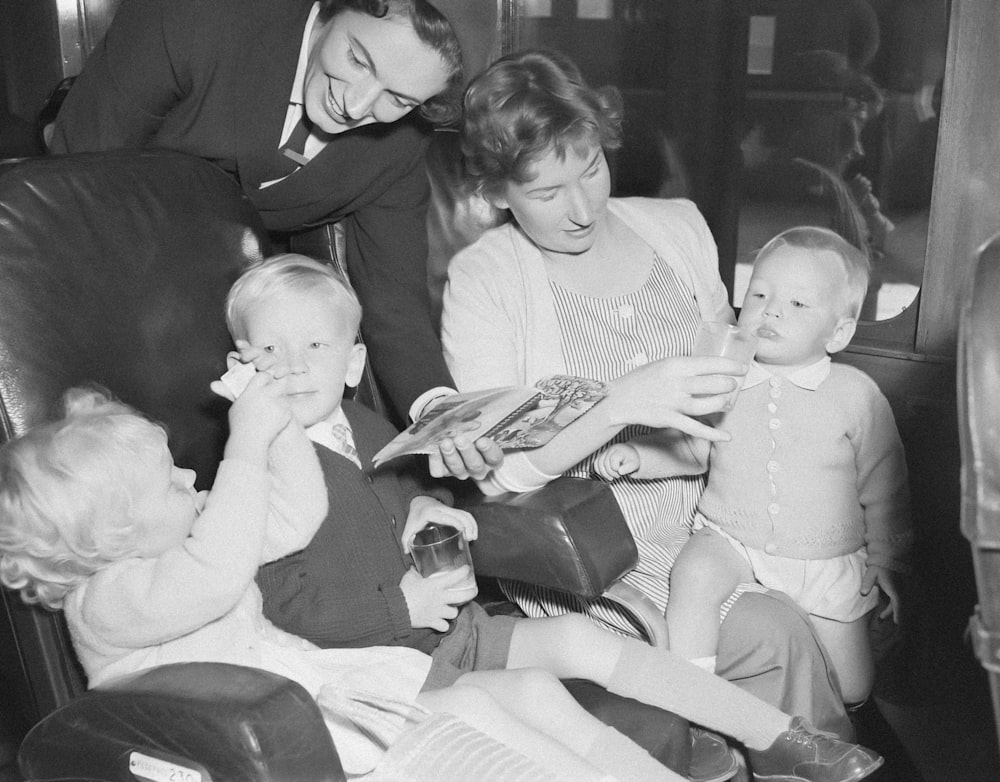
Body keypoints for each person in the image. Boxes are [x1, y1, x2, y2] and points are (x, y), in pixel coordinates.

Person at [219, 252, 884, 782]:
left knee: (580, 639)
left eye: (315, 347)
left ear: (353, 361)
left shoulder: (364, 426)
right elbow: (277, 611)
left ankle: (784, 739)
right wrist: (403, 607)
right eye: (270, 352)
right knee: (544, 697)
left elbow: (408, 501)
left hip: (450, 633)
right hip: (374, 661)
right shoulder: (257, 463)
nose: (295, 368)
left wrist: (433, 509)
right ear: (242, 362)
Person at [439, 48, 857, 739]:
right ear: (494, 193)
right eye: (546, 193)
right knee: (778, 628)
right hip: (601, 553)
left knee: (838, 607)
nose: (581, 209)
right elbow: (502, 474)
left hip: (729, 513)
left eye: (592, 169)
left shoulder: (679, 227)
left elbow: (746, 370)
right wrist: (620, 404)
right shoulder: (484, 280)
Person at [0, 384, 691, 782]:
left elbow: (297, 517)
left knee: (529, 692)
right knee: (473, 731)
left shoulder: (191, 538)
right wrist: (242, 446)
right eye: (168, 482)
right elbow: (215, 577)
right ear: (112, 535)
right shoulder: (106, 602)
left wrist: (282, 429)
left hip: (326, 696)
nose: (191, 479)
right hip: (260, 746)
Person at [48, 0, 469, 423]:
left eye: (397, 98)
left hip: (242, 328)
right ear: (330, 10)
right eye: (358, 60)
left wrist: (439, 410)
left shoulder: (401, 148)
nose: (356, 106)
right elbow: (73, 179)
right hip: (101, 277)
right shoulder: (190, 18)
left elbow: (395, 301)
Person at [595, 227, 912, 706]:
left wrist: (887, 556)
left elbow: (885, 485)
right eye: (759, 294)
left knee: (853, 688)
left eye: (799, 305)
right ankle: (693, 693)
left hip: (823, 559)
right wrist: (642, 456)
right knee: (694, 575)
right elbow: (693, 446)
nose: (772, 309)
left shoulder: (856, 395)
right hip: (731, 538)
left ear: (840, 331)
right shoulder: (727, 380)